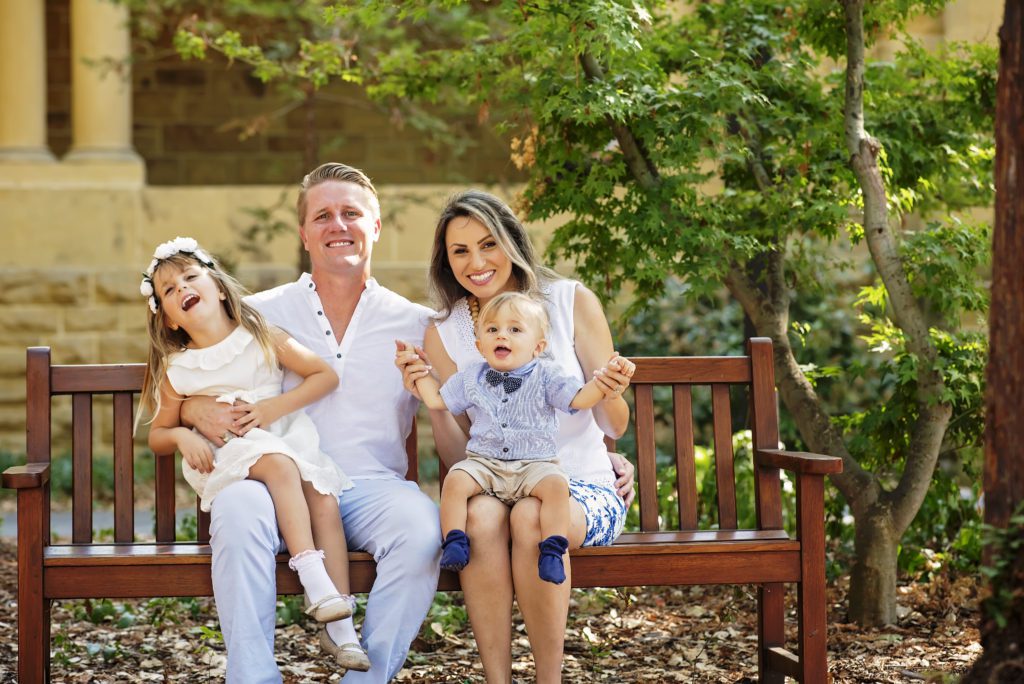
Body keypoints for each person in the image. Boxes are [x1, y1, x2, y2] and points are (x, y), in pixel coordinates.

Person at [179, 164, 439, 684]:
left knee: (421, 530)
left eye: (351, 213)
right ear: (304, 233)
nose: (337, 224)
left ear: (377, 226)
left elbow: (484, 401)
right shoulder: (255, 313)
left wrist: (599, 453)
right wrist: (189, 412)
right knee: (236, 505)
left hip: (372, 487)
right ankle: (253, 677)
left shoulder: (416, 322)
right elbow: (189, 379)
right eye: (322, 215)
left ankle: (366, 678)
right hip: (280, 486)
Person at [395, 190, 637, 683]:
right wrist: (432, 400)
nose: (477, 262)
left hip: (579, 487)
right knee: (479, 517)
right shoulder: (445, 333)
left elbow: (614, 425)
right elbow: (458, 451)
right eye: (460, 251)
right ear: (446, 261)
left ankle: (548, 679)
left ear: (512, 241)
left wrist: (609, 389)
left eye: (488, 244)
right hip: (494, 483)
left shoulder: (569, 303)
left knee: (532, 516)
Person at [139, 237, 371, 671]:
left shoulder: (260, 334)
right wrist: (182, 438)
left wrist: (269, 409)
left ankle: (340, 627)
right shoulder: (178, 368)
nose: (182, 288)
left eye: (190, 277)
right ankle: (312, 577)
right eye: (168, 290)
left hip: (282, 434)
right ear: (167, 319)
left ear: (220, 288)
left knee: (323, 500)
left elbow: (324, 375)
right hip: (226, 454)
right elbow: (159, 433)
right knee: (280, 466)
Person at [403, 292, 626, 584]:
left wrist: (606, 381)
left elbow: (581, 399)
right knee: (456, 478)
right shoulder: (472, 378)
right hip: (487, 466)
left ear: (538, 346)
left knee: (557, 486)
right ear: (480, 345)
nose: (502, 336)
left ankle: (552, 548)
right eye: (492, 329)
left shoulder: (548, 375)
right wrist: (416, 372)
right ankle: (455, 540)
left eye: (515, 329)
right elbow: (435, 400)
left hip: (535, 466)